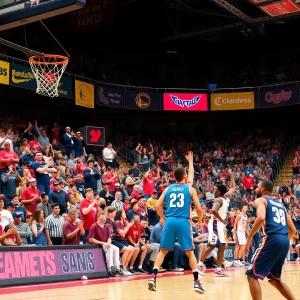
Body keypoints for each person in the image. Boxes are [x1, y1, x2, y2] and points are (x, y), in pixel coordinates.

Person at [148, 152, 204, 294]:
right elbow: (198, 208)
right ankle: (197, 282)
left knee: (163, 251)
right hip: (183, 221)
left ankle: (153, 277)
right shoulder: (190, 189)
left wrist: (165, 218)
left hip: (170, 220)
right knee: (190, 253)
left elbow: (156, 206)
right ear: (184, 176)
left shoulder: (168, 188)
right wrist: (200, 221)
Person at [245, 179, 296, 300]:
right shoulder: (280, 204)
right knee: (274, 279)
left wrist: (250, 237)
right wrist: (282, 241)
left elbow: (261, 217)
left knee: (251, 275)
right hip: (283, 240)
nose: (255, 189)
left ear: (262, 188)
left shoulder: (260, 200)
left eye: (257, 187)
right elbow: (293, 230)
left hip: (271, 238)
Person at [198, 169, 235, 277]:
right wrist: (222, 220)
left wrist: (232, 176)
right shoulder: (220, 199)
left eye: (215, 189)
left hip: (218, 224)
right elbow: (214, 211)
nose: (214, 190)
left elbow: (232, 188)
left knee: (222, 246)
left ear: (219, 191)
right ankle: (199, 265)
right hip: (215, 223)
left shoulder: (222, 198)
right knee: (212, 246)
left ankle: (218, 269)